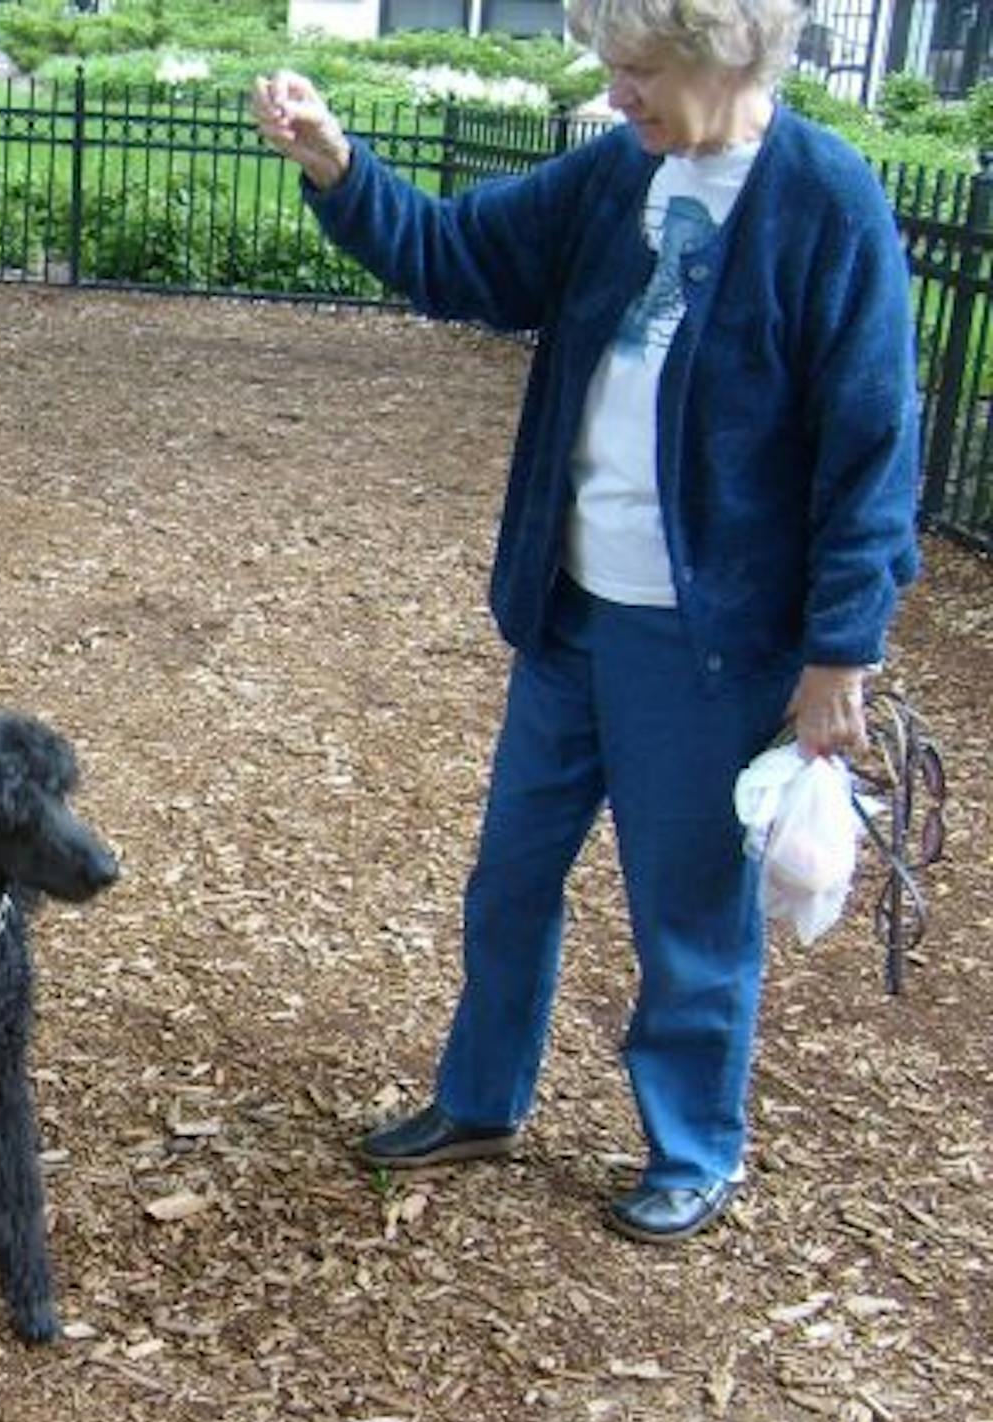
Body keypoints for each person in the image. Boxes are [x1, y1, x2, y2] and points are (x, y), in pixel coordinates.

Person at [251, 0, 921, 1242]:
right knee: (510, 878)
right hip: (569, 615)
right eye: (613, 69)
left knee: (688, 915)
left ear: (724, 58)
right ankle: (483, 1101)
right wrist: (337, 166)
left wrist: (841, 649)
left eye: (638, 70)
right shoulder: (620, 174)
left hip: (708, 645)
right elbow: (462, 258)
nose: (617, 96)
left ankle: (692, 1147)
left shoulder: (826, 205)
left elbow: (871, 449)